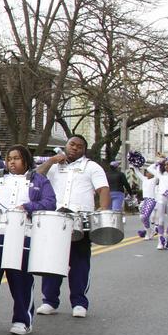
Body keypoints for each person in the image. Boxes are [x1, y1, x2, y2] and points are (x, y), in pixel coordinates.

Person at [0, 145, 56, 335]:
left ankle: (22, 320)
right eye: (9, 159)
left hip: (22, 235)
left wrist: (28, 206)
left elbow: (50, 203)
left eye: (16, 158)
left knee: (20, 280)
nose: (12, 162)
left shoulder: (39, 180)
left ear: (25, 160)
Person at [35, 135, 110, 317]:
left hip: (80, 219)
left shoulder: (92, 167)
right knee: (52, 262)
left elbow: (103, 189)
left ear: (84, 149)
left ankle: (79, 302)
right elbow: (36, 177)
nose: (75, 148)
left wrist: (103, 209)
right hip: (55, 219)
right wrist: (52, 160)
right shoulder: (54, 165)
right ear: (66, 146)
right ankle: (50, 301)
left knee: (79, 263)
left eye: (79, 146)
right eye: (72, 144)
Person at [137, 167, 159, 239]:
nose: (147, 173)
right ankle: (149, 231)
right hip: (145, 200)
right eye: (146, 172)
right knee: (142, 217)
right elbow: (137, 172)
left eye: (149, 172)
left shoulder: (154, 179)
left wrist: (157, 165)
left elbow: (157, 174)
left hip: (152, 200)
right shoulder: (144, 179)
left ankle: (148, 232)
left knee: (145, 216)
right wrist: (133, 165)